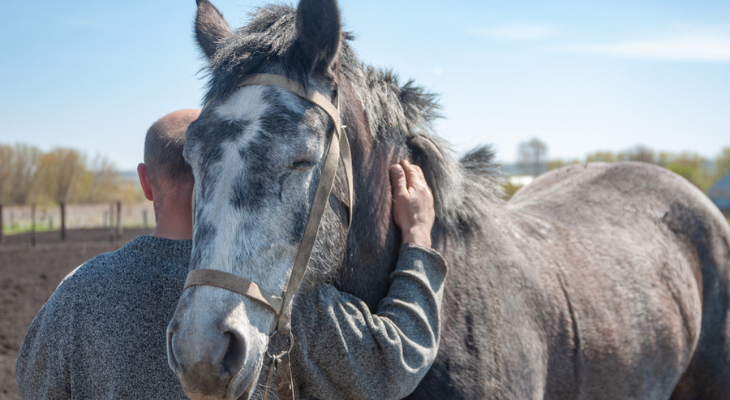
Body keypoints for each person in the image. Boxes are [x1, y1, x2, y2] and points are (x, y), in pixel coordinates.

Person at [16, 109, 448, 400]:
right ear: (224, 171)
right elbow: (398, 358)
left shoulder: (76, 294)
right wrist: (418, 238)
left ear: (146, 183)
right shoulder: (284, 302)